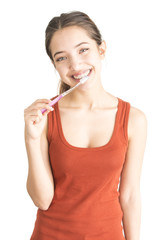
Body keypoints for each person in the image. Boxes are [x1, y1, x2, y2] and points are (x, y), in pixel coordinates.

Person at [24, 11, 147, 240]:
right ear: (55, 64)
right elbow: (42, 200)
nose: (75, 65)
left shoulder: (134, 120)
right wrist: (31, 139)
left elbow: (129, 196)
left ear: (101, 50)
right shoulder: (45, 118)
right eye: (62, 58)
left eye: (83, 50)